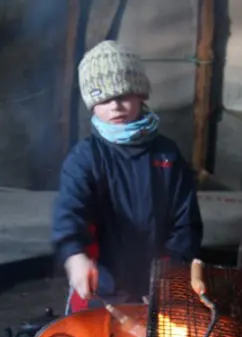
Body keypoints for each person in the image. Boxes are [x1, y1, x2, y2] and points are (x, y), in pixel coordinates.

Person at [52, 40, 203, 314]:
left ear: (141, 95)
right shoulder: (84, 158)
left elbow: (187, 223)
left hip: (160, 283)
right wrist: (75, 257)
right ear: (92, 105)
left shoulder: (167, 155)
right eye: (103, 99)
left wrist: (169, 273)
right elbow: (70, 216)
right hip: (102, 288)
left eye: (123, 95)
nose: (115, 106)